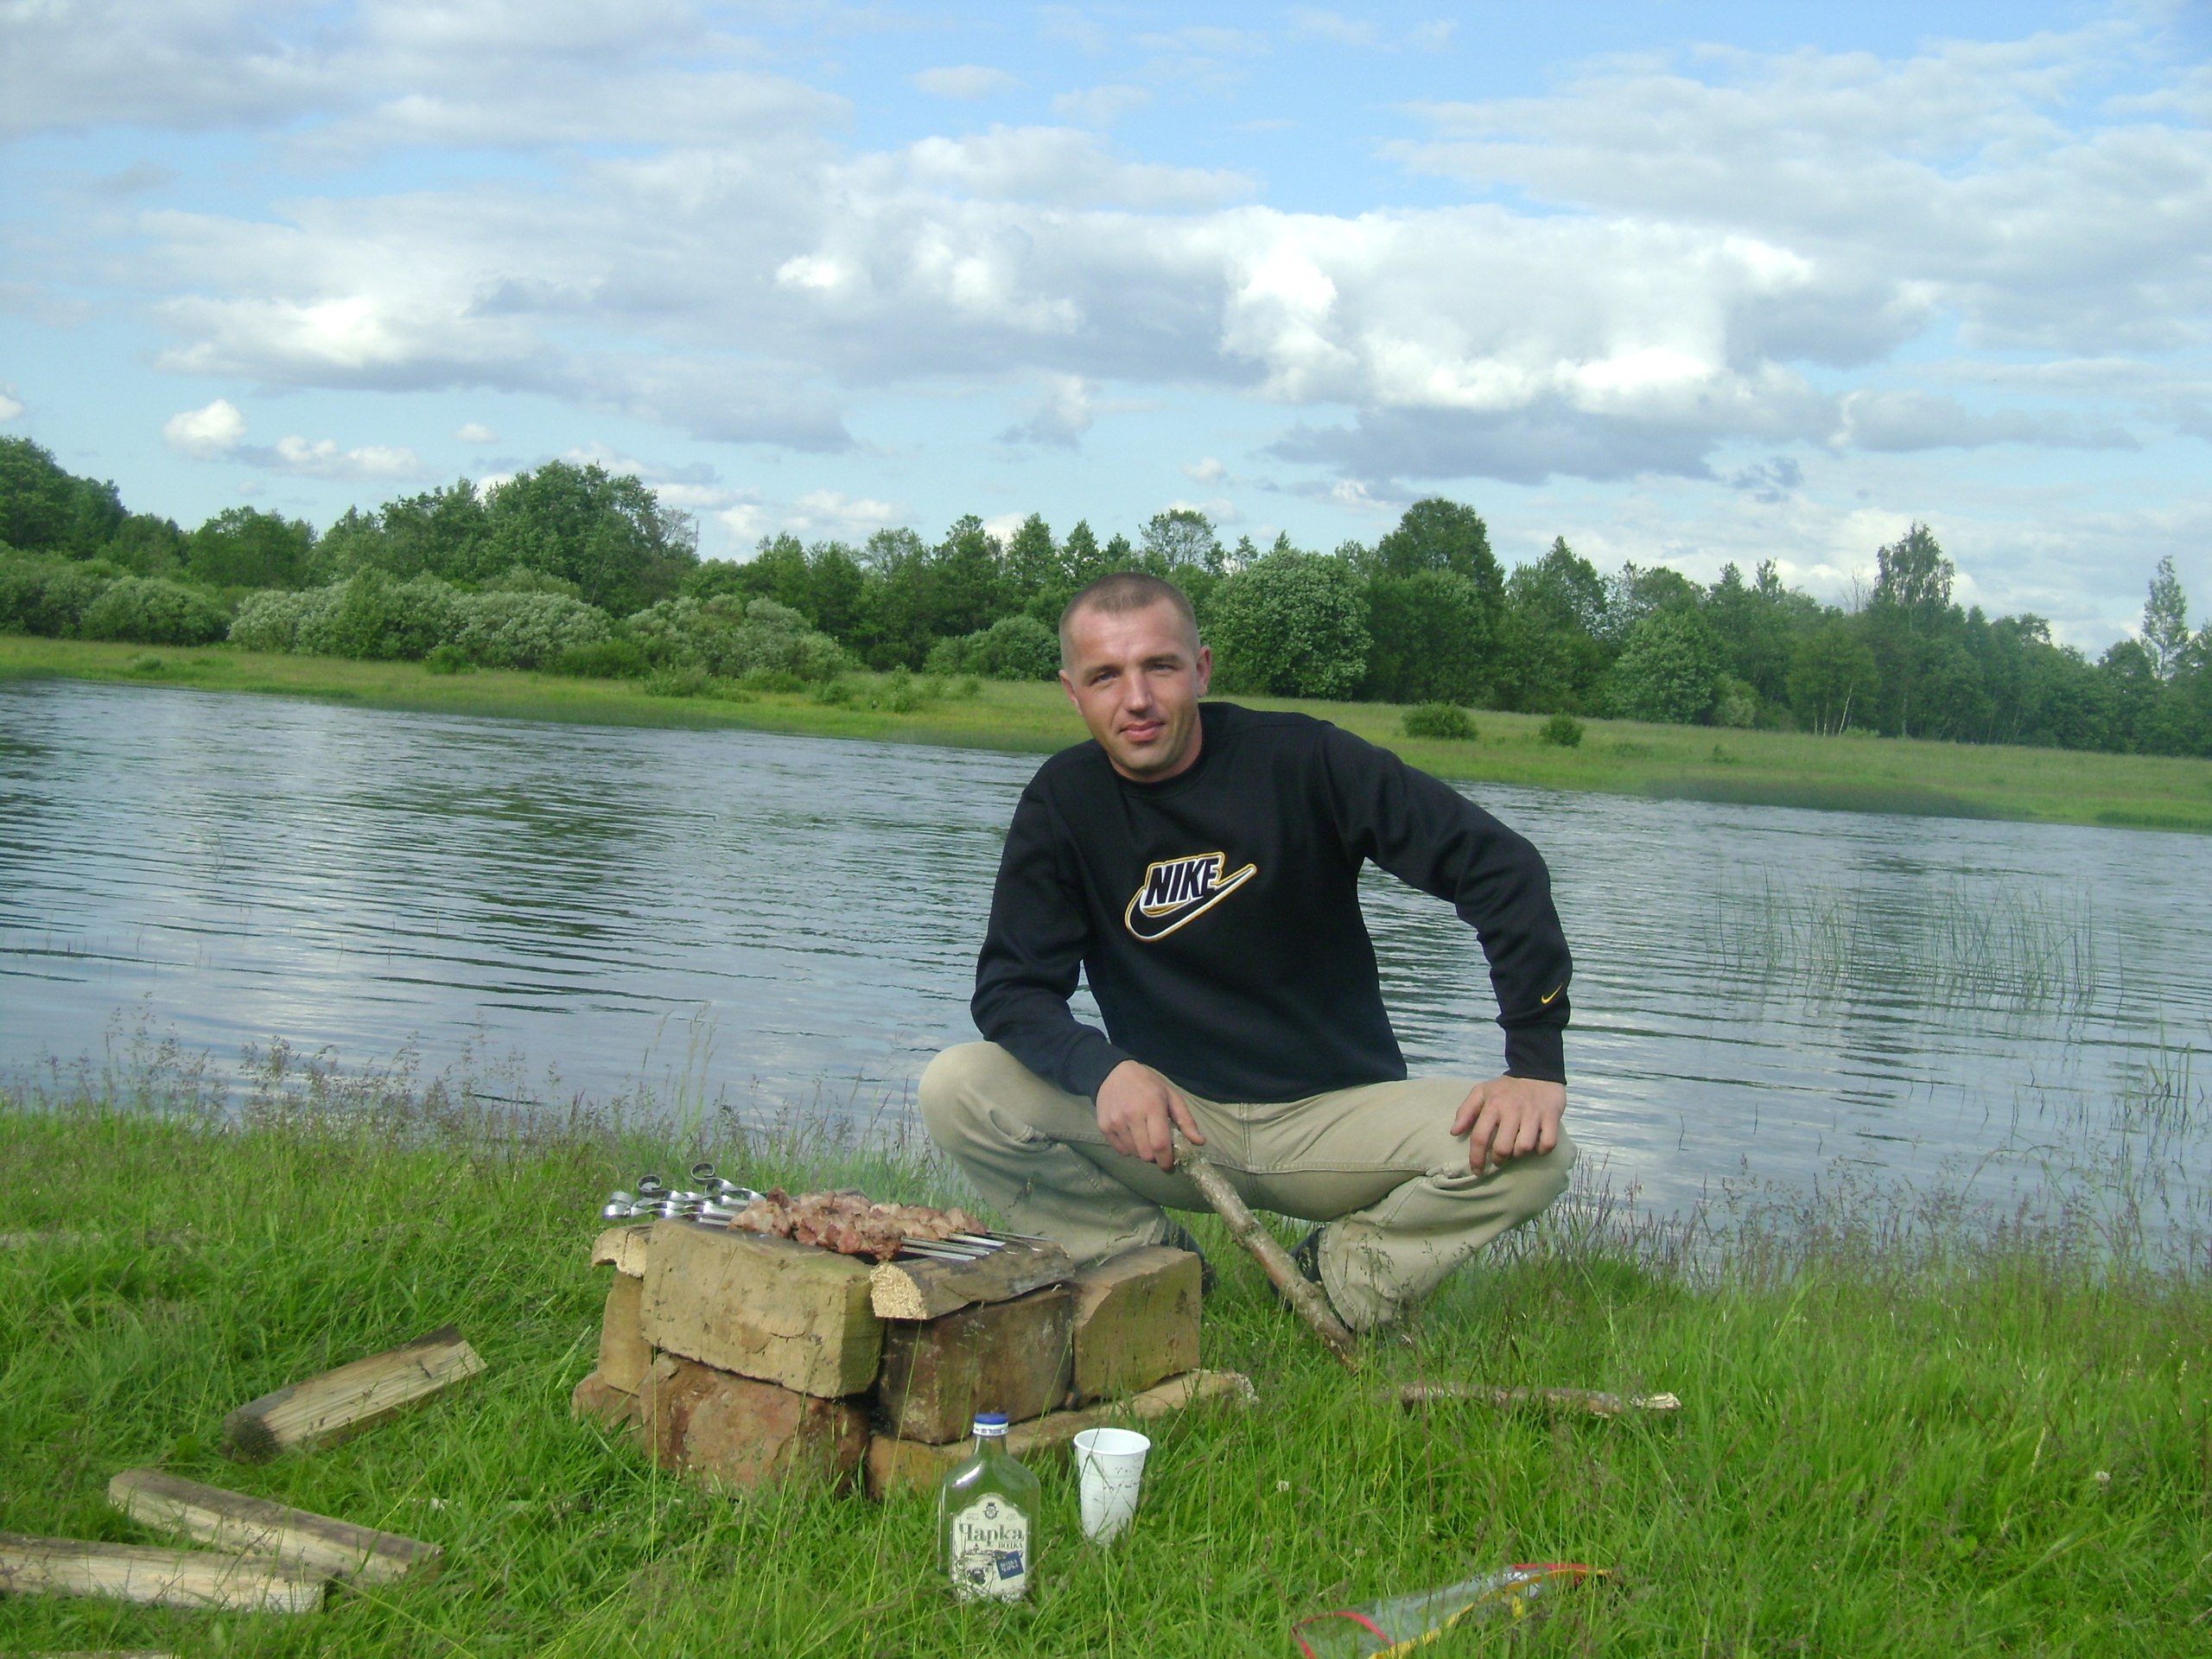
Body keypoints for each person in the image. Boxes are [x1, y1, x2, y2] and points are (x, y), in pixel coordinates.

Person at [918, 571, 1574, 1333]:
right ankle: (1153, 1274)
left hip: (1334, 1123)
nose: (1137, 698)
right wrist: (1104, 1071)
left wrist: (1534, 1063)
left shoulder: (1304, 759)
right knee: (958, 1086)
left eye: (1160, 666)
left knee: (1539, 1154)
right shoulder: (1063, 801)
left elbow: (1501, 869)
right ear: (1073, 693)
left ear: (1201, 669)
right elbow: (1011, 991)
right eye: (1106, 676)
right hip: (1172, 1122)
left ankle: (1330, 1285)